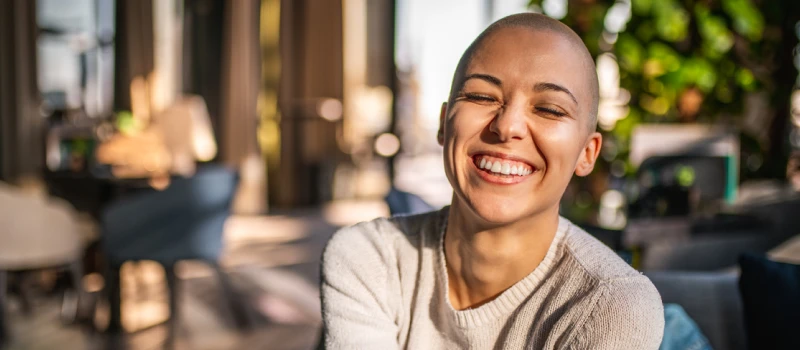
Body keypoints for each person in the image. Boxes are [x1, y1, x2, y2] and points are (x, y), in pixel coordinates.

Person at [320, 13, 664, 349]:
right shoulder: (369, 258)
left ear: (587, 154)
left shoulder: (612, 306)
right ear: (444, 124)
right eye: (482, 97)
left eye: (549, 109)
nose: (507, 126)